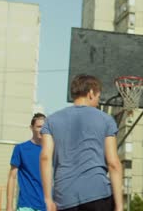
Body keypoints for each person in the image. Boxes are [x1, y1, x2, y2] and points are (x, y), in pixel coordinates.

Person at [40, 74, 123, 211]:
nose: (98, 101)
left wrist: (48, 199)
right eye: (98, 96)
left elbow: (45, 158)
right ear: (91, 93)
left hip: (64, 196)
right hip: (98, 194)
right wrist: (119, 205)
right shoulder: (106, 120)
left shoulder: (51, 120)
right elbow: (113, 163)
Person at [6, 113, 47, 211]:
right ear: (31, 128)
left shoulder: (51, 150)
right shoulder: (20, 149)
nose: (42, 130)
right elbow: (12, 177)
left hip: (48, 206)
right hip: (26, 205)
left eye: (44, 127)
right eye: (39, 127)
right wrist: (9, 206)